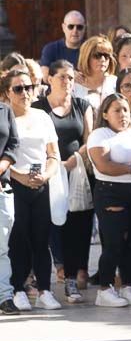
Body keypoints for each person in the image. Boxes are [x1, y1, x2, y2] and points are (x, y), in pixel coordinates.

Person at [34, 60, 94, 304]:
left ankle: (72, 277)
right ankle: (52, 276)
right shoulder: (39, 108)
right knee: (53, 226)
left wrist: (73, 160)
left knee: (79, 226)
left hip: (77, 173)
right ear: (50, 79)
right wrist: (54, 165)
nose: (67, 82)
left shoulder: (82, 105)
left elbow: (90, 139)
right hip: (50, 174)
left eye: (71, 78)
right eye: (62, 77)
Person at [87, 93, 131, 308]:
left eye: (125, 109)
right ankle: (105, 288)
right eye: (117, 110)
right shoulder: (100, 135)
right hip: (110, 191)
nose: (122, 114)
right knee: (114, 242)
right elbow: (103, 165)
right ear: (105, 114)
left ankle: (130, 285)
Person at [5, 69, 61, 310]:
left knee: (41, 239)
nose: (25, 93)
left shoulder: (42, 117)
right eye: (18, 89)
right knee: (17, 239)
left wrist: (45, 176)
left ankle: (45, 289)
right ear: (7, 93)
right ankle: (18, 288)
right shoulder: (4, 117)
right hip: (13, 184)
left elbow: (54, 154)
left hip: (40, 185)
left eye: (29, 87)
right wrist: (20, 176)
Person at [0, 95, 19, 314]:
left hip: (2, 188)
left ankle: (5, 296)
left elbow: (13, 145)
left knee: (2, 247)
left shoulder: (5, 110)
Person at [73, 36, 117, 112]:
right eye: (97, 55)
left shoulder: (115, 82)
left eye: (106, 56)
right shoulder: (74, 84)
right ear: (86, 57)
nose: (103, 59)